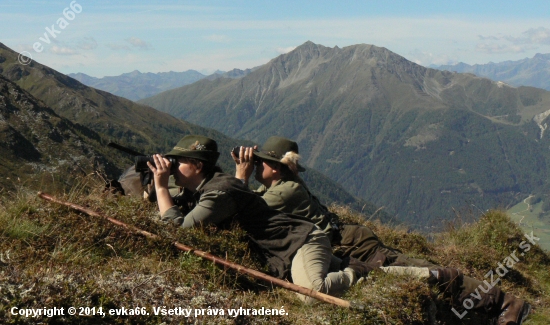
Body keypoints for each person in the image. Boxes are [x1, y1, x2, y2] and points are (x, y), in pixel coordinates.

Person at [233, 136, 531, 324]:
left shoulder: (283, 191)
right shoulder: (275, 186)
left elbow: (244, 209)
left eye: (263, 163)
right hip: (344, 240)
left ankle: (505, 303)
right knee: (410, 269)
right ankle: (489, 305)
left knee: (419, 270)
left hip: (350, 243)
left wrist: (239, 175)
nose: (258, 166)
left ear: (278, 168)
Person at [147, 134, 373, 304]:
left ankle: (357, 272)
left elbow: (178, 229)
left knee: (312, 295)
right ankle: (370, 269)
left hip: (301, 241)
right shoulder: (202, 188)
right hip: (284, 248)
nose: (171, 167)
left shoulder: (219, 193)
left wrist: (161, 187)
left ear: (197, 165)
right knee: (334, 275)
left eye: (177, 162)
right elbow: (178, 208)